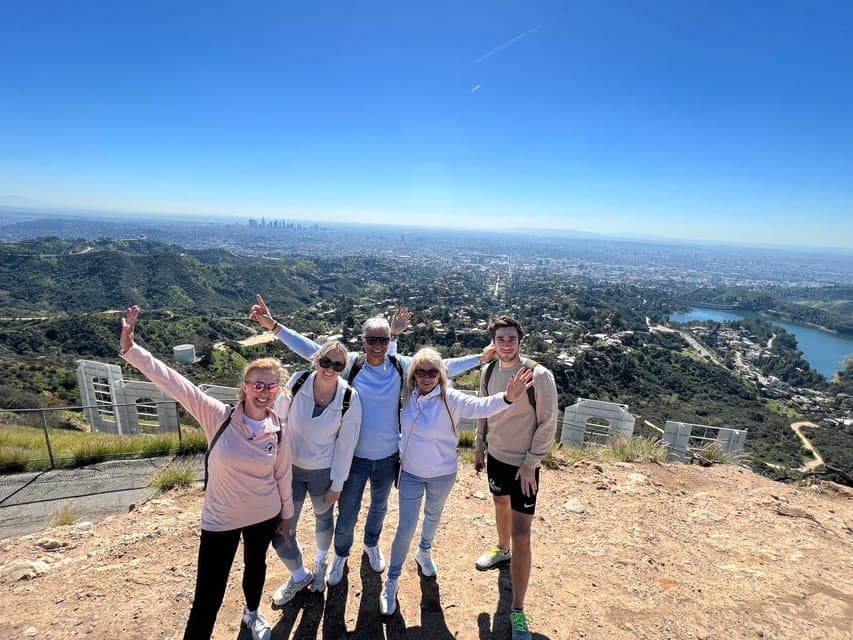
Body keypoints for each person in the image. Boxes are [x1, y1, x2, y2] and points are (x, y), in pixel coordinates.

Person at [250, 294, 494, 587]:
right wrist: (275, 327)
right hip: (353, 456)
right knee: (347, 511)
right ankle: (341, 555)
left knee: (379, 507)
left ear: (390, 340)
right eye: (372, 340)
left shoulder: (400, 366)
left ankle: (371, 544)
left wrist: (478, 359)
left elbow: (440, 366)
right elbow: (314, 352)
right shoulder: (350, 364)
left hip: (388, 456)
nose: (378, 345)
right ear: (363, 341)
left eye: (383, 339)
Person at [119, 306, 293, 640]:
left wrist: (287, 516)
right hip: (221, 519)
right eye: (258, 385)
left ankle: (252, 613)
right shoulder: (218, 417)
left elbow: (282, 475)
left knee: (256, 567)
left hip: (264, 513)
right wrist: (132, 350)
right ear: (245, 387)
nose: (264, 392)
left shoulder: (279, 428)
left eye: (272, 387)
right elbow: (177, 384)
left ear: (278, 390)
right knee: (208, 594)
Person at [379, 347, 534, 616]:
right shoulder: (406, 394)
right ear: (413, 375)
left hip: (442, 474)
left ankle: (424, 551)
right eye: (420, 372)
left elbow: (480, 406)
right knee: (405, 527)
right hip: (411, 473)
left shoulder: (450, 398)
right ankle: (392, 579)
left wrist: (507, 398)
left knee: (433, 516)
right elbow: (390, 360)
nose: (426, 377)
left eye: (432, 372)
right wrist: (392, 335)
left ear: (440, 375)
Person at [473, 315, 558, 640]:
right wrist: (479, 447)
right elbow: (484, 411)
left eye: (511, 339)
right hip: (496, 456)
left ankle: (518, 610)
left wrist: (530, 463)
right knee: (499, 502)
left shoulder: (539, 375)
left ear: (520, 341)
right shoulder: (489, 371)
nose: (506, 344)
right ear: (493, 343)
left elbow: (548, 423)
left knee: (523, 534)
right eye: (500, 339)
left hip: (524, 465)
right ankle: (501, 549)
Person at [270, 340, 363, 604]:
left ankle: (321, 564)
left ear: (344, 368)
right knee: (282, 531)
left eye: (338, 365)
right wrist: (272, 465)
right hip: (289, 469)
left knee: (324, 519)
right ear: (317, 359)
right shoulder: (298, 382)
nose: (330, 368)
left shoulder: (349, 398)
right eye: (325, 361)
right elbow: (277, 422)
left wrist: (338, 484)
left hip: (323, 472)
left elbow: (346, 445)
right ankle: (299, 575)